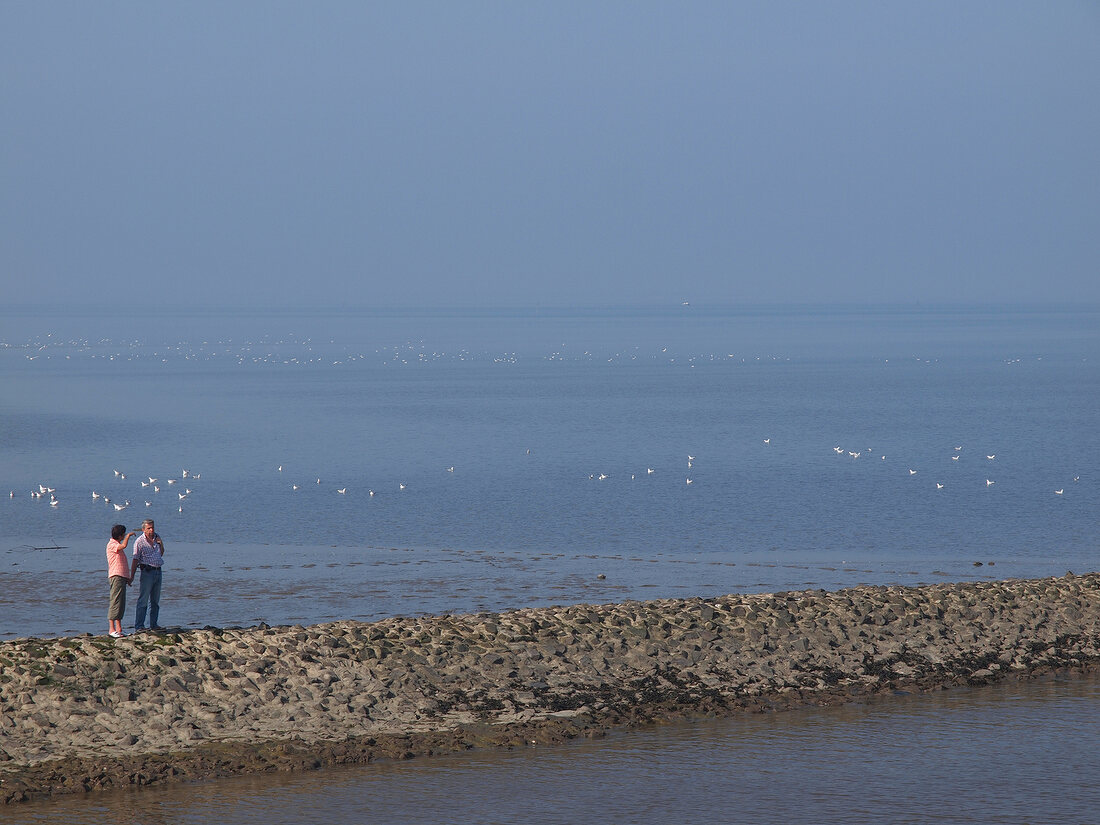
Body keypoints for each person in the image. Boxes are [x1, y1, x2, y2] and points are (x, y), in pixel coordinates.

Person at [132, 518, 166, 632]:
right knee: (143, 600)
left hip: (158, 570)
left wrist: (161, 544)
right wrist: (131, 576)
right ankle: (139, 625)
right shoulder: (139, 541)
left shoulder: (157, 537)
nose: (151, 530)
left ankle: (154, 624)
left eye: (152, 527)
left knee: (155, 601)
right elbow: (135, 559)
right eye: (149, 528)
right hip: (147, 571)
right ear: (143, 529)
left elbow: (161, 553)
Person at [105, 524, 137, 637]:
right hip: (116, 576)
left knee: (121, 603)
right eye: (123, 534)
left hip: (121, 577)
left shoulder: (116, 544)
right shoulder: (112, 544)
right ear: (120, 535)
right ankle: (111, 629)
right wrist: (129, 536)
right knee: (115, 601)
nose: (124, 536)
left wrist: (127, 578)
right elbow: (123, 546)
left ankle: (119, 629)